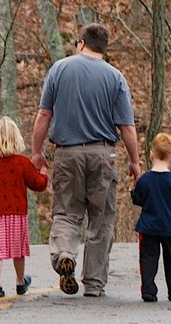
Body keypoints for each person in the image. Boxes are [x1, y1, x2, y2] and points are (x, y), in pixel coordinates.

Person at [31, 23, 140, 297]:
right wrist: (135, 162)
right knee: (101, 219)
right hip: (104, 154)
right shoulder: (115, 77)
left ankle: (65, 254)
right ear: (104, 48)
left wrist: (36, 152)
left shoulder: (59, 69)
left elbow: (44, 115)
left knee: (67, 212)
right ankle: (93, 283)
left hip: (67, 153)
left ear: (81, 43)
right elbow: (127, 127)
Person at [0, 116, 49, 298]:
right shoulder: (22, 162)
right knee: (18, 250)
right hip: (17, 214)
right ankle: (19, 281)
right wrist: (44, 174)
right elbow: (37, 184)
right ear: (16, 139)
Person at [130, 132, 171, 302]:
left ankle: (148, 290)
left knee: (148, 259)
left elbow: (138, 199)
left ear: (151, 154)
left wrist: (133, 191)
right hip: (170, 227)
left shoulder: (145, 180)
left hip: (148, 228)